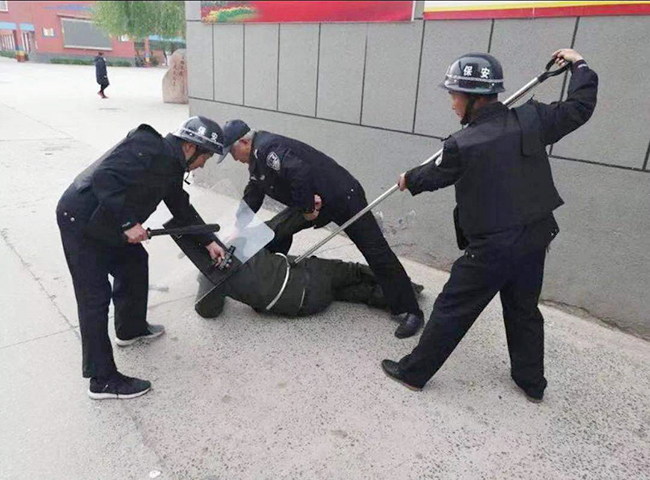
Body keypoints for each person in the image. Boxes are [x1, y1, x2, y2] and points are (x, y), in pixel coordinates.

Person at [381, 49, 598, 403]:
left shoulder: (462, 144)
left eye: (454, 95)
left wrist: (410, 179)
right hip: (535, 236)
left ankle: (413, 373)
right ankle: (532, 383)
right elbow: (579, 107)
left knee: (452, 307)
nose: (451, 103)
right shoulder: (532, 119)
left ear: (474, 98)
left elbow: (435, 174)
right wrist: (580, 66)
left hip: (493, 247)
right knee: (524, 310)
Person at [56, 116, 228, 400]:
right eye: (205, 157)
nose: (203, 165)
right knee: (94, 298)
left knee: (134, 263)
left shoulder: (172, 166)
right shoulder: (148, 145)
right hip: (80, 220)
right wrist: (128, 223)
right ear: (190, 147)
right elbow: (104, 177)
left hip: (106, 222)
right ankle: (102, 380)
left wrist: (209, 241)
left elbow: (180, 207)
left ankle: (130, 328)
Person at [218, 120, 424, 338]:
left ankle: (410, 309)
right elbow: (253, 193)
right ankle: (272, 281)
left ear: (243, 142)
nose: (234, 158)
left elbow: (299, 171)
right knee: (276, 230)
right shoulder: (256, 160)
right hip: (316, 202)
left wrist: (307, 208)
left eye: (232, 152)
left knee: (375, 251)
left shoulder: (267, 149)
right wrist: (238, 227)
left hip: (342, 196)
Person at [167, 208, 424, 319]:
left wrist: (212, 282)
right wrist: (311, 213)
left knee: (346, 292)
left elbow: (207, 311)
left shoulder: (212, 277)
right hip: (307, 278)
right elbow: (281, 225)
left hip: (301, 306)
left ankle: (385, 298)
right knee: (353, 272)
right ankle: (406, 289)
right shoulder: (241, 243)